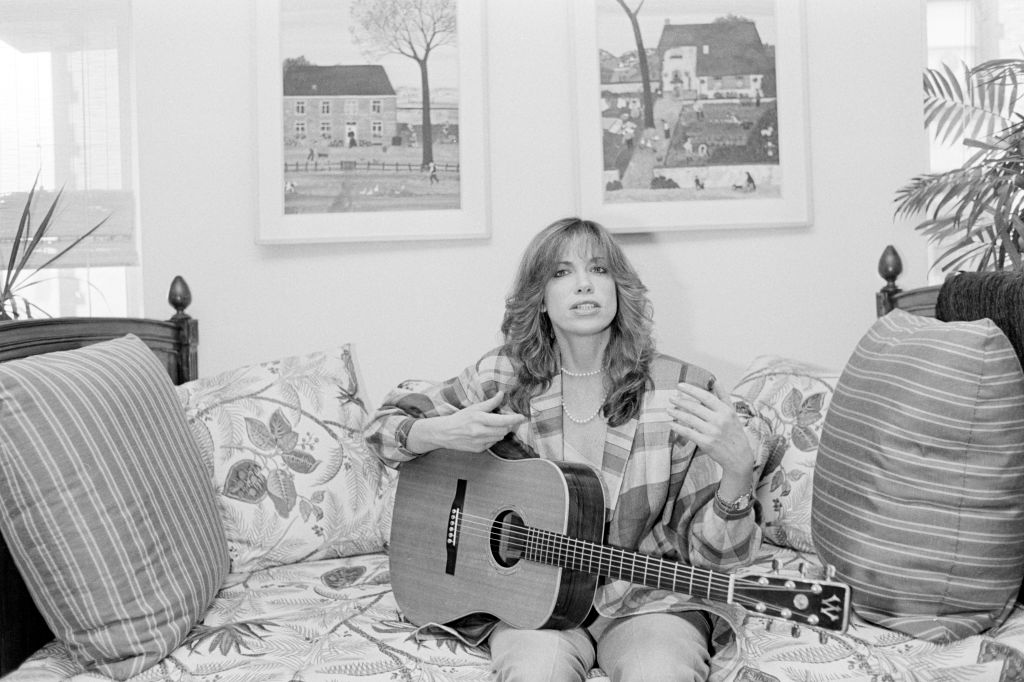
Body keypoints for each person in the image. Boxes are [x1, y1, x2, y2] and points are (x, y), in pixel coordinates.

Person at [364, 217, 760, 682]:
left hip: (647, 603)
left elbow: (716, 564)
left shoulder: (683, 390)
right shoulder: (503, 376)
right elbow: (382, 430)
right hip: (529, 601)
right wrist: (441, 433)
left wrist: (737, 471)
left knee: (660, 673)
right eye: (561, 272)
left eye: (599, 268)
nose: (584, 284)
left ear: (619, 286)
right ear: (540, 297)